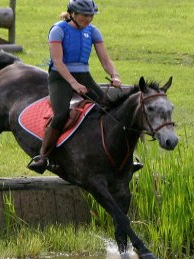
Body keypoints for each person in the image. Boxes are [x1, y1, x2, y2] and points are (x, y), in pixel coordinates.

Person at [28, 0, 123, 173]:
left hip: (84, 76)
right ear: (72, 13)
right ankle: (42, 156)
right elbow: (57, 61)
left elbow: (105, 60)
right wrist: (74, 84)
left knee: (109, 108)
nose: (88, 19)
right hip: (60, 77)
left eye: (91, 15)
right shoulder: (58, 30)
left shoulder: (93, 32)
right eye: (84, 15)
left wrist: (114, 75)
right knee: (61, 114)